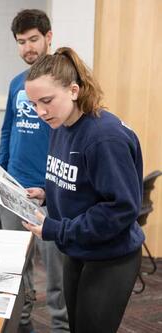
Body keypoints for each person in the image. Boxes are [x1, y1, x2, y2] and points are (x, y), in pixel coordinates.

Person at [23, 47, 144, 333]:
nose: (40, 112)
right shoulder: (61, 124)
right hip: (78, 247)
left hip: (110, 255)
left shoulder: (104, 138)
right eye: (33, 104)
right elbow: (76, 180)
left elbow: (120, 208)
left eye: (46, 101)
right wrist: (46, 191)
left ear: (74, 90)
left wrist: (56, 230)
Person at [0, 9, 68, 333]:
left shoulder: (65, 85)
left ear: (49, 37)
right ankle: (22, 327)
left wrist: (56, 190)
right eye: (21, 42)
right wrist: (0, 174)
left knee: (56, 278)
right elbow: (8, 130)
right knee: (16, 272)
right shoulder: (16, 84)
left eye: (34, 39)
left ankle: (59, 327)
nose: (28, 47)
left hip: (51, 196)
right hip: (12, 190)